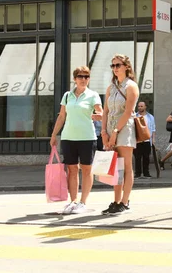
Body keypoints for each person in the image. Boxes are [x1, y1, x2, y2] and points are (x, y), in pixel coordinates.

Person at [49, 66, 102, 214]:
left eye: (86, 76)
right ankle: (72, 202)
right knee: (72, 170)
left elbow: (101, 113)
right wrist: (54, 135)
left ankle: (83, 203)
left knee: (86, 170)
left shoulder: (93, 95)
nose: (83, 79)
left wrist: (100, 116)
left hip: (87, 137)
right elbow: (61, 116)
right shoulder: (67, 95)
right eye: (80, 76)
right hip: (68, 137)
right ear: (75, 79)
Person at [102, 54, 139, 215]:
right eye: (113, 66)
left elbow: (129, 112)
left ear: (126, 66)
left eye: (118, 65)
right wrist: (103, 131)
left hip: (124, 128)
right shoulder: (111, 87)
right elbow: (105, 111)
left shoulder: (131, 86)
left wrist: (116, 132)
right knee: (115, 167)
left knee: (127, 166)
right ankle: (116, 201)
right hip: (110, 128)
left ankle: (125, 201)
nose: (115, 68)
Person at [134, 101, 156, 179]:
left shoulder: (150, 117)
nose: (140, 108)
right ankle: (137, 173)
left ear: (145, 107)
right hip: (137, 140)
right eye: (139, 106)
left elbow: (153, 129)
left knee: (146, 157)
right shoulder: (134, 116)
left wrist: (153, 139)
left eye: (141, 106)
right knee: (137, 157)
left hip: (147, 140)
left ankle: (146, 173)